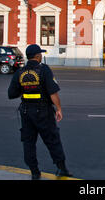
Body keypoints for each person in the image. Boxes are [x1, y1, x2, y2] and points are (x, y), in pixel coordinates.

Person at [8, 44, 71, 180]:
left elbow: (11, 93)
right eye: (40, 54)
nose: (41, 56)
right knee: (52, 140)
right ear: (37, 56)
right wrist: (59, 109)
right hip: (43, 112)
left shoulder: (20, 72)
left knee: (28, 143)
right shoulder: (44, 70)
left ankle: (35, 172)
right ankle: (61, 168)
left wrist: (25, 89)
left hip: (26, 112)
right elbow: (53, 92)